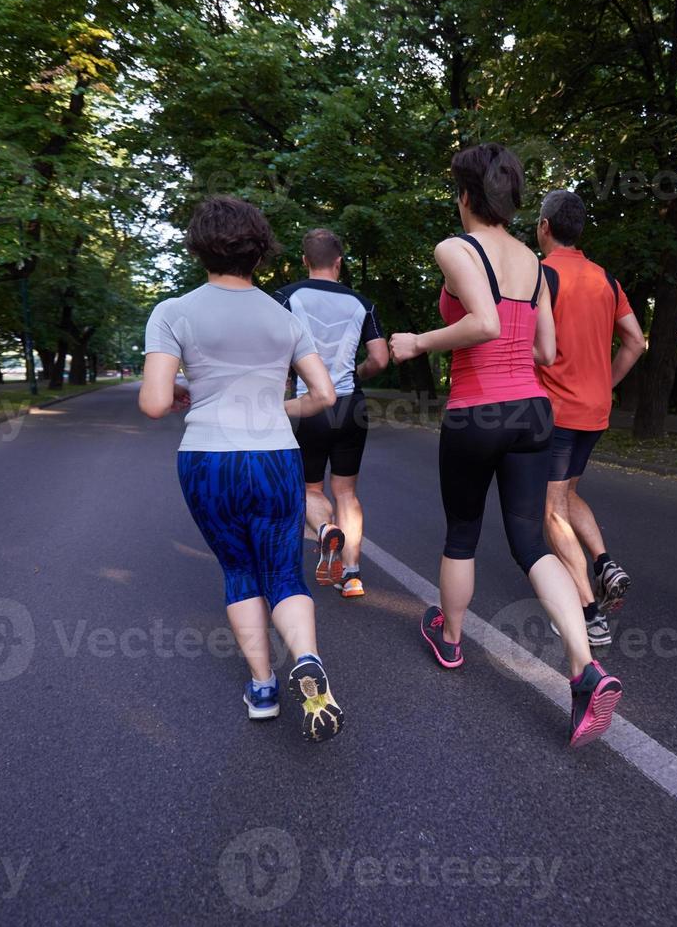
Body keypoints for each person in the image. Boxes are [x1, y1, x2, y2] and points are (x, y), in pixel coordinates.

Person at [389, 143, 623, 747]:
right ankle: (583, 667)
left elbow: (485, 323)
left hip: (476, 412)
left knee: (462, 533)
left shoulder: (455, 248)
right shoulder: (535, 264)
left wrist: (417, 342)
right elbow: (545, 351)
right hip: (535, 414)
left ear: (465, 195)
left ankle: (449, 639)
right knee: (529, 541)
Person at [138, 195, 346, 742]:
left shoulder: (173, 312)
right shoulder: (284, 317)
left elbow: (156, 403)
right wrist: (282, 407)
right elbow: (323, 394)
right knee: (284, 572)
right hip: (276, 455)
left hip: (208, 459)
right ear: (260, 251)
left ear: (199, 247)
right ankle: (307, 658)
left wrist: (186, 388)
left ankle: (263, 688)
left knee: (239, 571)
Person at [534, 189, 646, 647]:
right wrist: (607, 383)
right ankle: (603, 562)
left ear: (544, 227)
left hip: (555, 411)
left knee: (550, 509)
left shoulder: (540, 277)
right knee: (568, 492)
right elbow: (636, 342)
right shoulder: (607, 280)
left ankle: (586, 611)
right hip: (595, 411)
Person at [273, 228, 388, 598]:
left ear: (305, 260)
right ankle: (352, 574)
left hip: (310, 406)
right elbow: (379, 358)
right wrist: (359, 373)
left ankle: (324, 532)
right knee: (347, 492)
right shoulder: (362, 302)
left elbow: (271, 350)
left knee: (310, 488)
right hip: (351, 405)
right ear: (339, 262)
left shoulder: (286, 298)